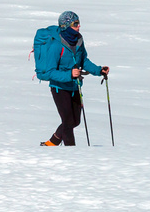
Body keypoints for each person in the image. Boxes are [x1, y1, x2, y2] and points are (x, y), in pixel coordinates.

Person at [34, 10, 106, 146]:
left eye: (78, 23)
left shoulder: (78, 40)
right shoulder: (56, 45)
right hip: (59, 88)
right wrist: (69, 75)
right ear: (66, 26)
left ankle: (53, 142)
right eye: (75, 24)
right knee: (67, 122)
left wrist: (99, 70)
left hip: (75, 86)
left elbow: (83, 60)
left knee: (75, 121)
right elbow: (49, 72)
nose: (79, 26)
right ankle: (71, 153)